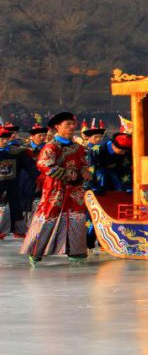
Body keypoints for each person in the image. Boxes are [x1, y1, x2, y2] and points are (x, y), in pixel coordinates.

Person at [20, 112, 91, 264]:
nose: (72, 127)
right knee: (48, 216)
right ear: (58, 127)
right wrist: (67, 175)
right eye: (68, 124)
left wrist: (83, 174)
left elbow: (85, 164)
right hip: (56, 188)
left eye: (73, 124)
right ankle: (35, 250)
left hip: (75, 189)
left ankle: (76, 251)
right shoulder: (51, 146)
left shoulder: (78, 147)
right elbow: (44, 164)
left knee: (75, 217)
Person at [0, 128, 35, 240]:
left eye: (6, 139)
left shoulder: (16, 152)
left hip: (13, 183)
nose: (5, 141)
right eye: (2, 139)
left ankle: (19, 230)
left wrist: (39, 176)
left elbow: (30, 166)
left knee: (16, 207)